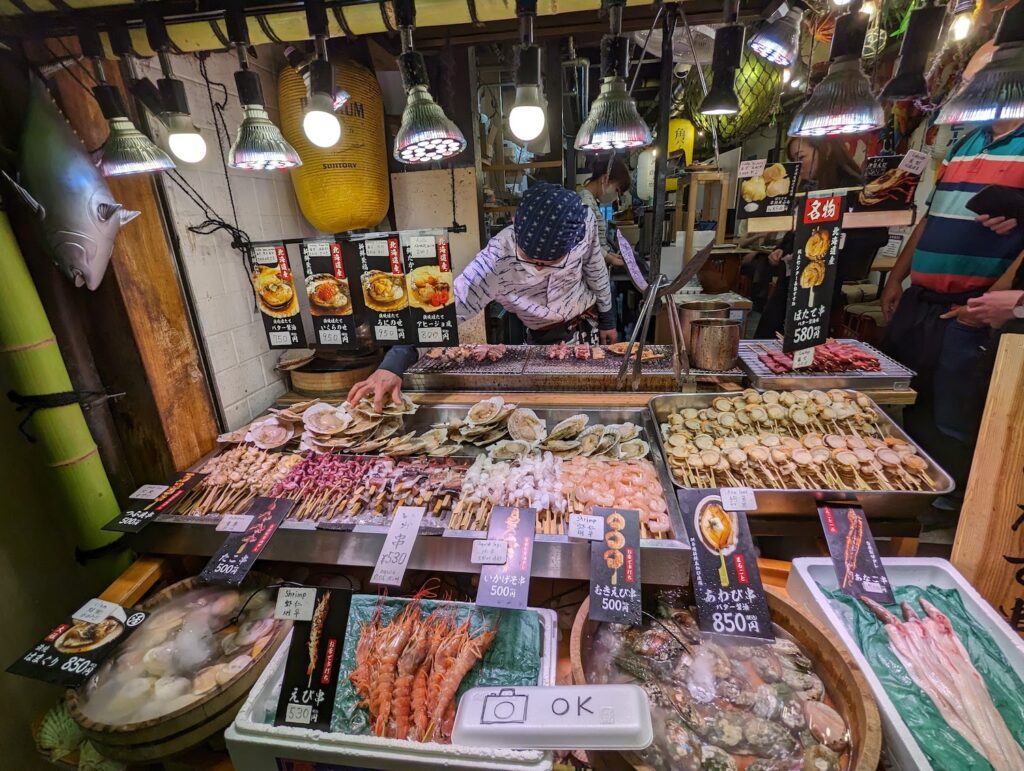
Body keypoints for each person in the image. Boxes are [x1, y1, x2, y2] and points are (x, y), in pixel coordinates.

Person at [880, 40, 1024, 501]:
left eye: (976, 81)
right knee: (913, 404)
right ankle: (914, 497)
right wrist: (898, 274)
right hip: (922, 300)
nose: (968, 89)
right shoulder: (967, 141)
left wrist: (992, 300)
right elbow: (932, 215)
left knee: (957, 417)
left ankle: (954, 512)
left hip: (972, 309)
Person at [348, 182, 619, 409]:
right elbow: (443, 312)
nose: (538, 268)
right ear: (515, 223)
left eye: (550, 262)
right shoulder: (495, 261)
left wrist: (608, 318)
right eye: (530, 259)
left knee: (593, 404)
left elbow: (595, 268)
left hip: (588, 327)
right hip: (542, 340)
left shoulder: (585, 225)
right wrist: (393, 363)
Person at [754, 137, 888, 338]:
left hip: (826, 286)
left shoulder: (854, 188)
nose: (799, 166)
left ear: (824, 150)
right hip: (792, 280)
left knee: (810, 345)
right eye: (794, 160)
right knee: (769, 337)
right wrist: (783, 249)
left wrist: (831, 248)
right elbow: (797, 231)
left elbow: (875, 237)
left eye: (802, 157)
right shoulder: (807, 188)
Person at [577, 157, 631, 268]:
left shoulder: (590, 200)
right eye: (617, 190)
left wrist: (608, 254)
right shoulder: (585, 202)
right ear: (605, 179)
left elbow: (595, 242)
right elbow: (585, 242)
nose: (616, 197)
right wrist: (609, 258)